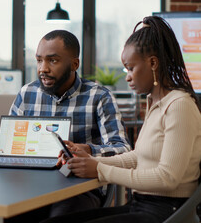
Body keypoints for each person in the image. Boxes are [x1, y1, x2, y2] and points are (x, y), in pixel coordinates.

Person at [42, 16, 201, 223]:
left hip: (166, 212)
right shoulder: (155, 102)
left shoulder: (179, 105)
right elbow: (138, 158)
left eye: (130, 68)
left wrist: (100, 170)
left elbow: (168, 178)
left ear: (153, 63)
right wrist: (89, 162)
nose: (127, 76)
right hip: (141, 205)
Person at [0, 30, 131, 222]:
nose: (43, 69)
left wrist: (88, 150)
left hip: (78, 188)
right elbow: (10, 144)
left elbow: (123, 150)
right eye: (39, 60)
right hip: (29, 185)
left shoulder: (99, 97)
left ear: (75, 64)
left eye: (53, 61)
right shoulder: (27, 93)